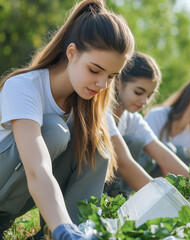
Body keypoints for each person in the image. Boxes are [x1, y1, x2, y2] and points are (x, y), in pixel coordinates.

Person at [0, 0, 140, 239]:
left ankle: (74, 233)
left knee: (98, 144)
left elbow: (123, 160)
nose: (102, 84)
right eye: (95, 70)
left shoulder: (90, 103)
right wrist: (63, 228)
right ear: (72, 53)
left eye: (111, 76)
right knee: (55, 132)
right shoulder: (24, 87)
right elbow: (37, 169)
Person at [103, 51, 190, 197]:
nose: (144, 101)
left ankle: (120, 196)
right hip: (91, 184)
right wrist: (163, 199)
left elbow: (163, 155)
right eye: (138, 92)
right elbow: (124, 164)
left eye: (149, 95)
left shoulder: (132, 119)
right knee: (134, 141)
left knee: (142, 143)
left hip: (113, 181)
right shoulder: (104, 111)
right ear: (119, 82)